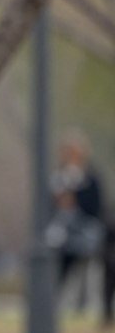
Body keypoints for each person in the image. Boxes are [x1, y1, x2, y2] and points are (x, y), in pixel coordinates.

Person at [46, 128, 108, 320]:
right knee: (60, 269)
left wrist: (76, 200)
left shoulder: (91, 178)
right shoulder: (57, 178)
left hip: (86, 232)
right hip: (63, 234)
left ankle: (88, 306)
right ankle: (56, 307)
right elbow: (48, 207)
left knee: (90, 269)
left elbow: (98, 206)